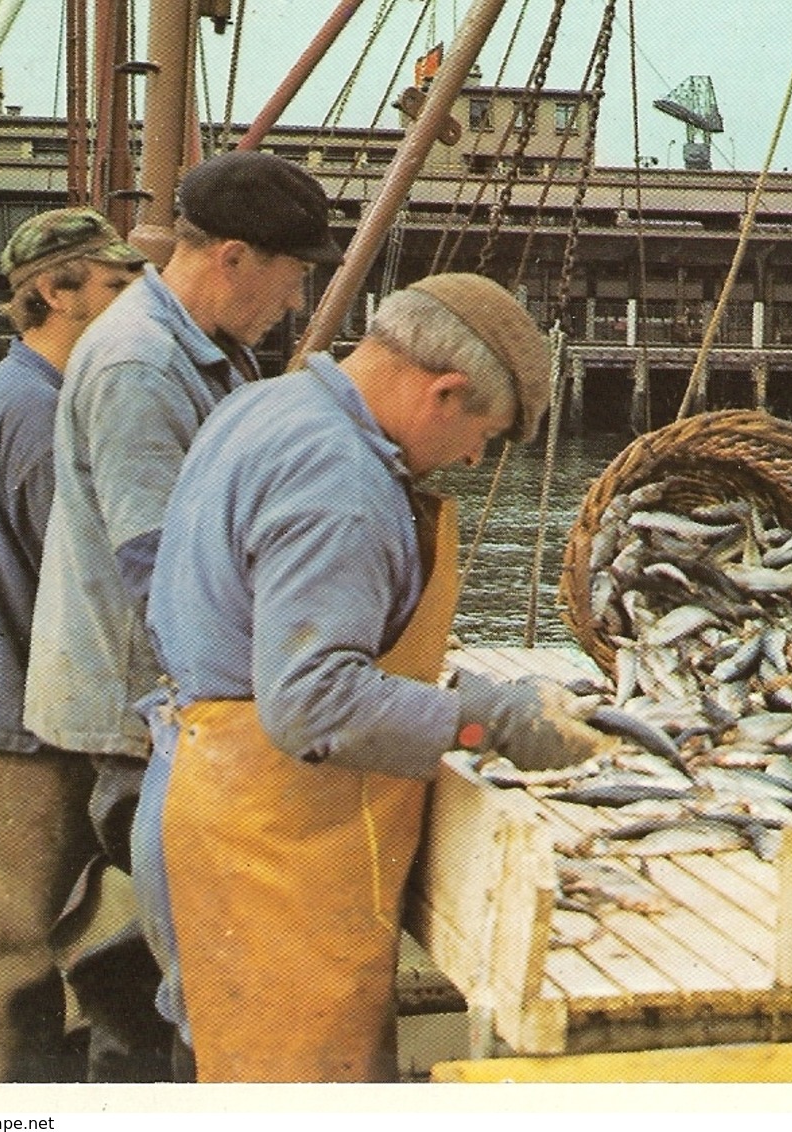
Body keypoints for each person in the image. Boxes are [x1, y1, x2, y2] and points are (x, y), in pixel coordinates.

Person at [131, 273, 616, 1083]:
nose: (468, 458)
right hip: (268, 848)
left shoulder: (266, 406)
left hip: (198, 796)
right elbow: (311, 703)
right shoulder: (341, 481)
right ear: (444, 391)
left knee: (216, 1069)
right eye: (482, 436)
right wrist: (487, 720)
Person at [20, 150, 343, 1080]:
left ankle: (130, 1025)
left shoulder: (204, 347)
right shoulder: (138, 365)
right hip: (144, 712)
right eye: (293, 273)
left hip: (165, 704)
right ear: (235, 257)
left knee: (180, 932)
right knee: (200, 941)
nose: (293, 298)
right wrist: (282, 685)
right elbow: (160, 570)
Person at [0, 208, 146, 1083]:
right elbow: (85, 582)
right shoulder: (35, 413)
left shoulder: (27, 393)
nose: (135, 302)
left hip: (27, 711)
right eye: (116, 284)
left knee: (51, 940)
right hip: (28, 732)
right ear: (56, 292)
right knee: (26, 948)